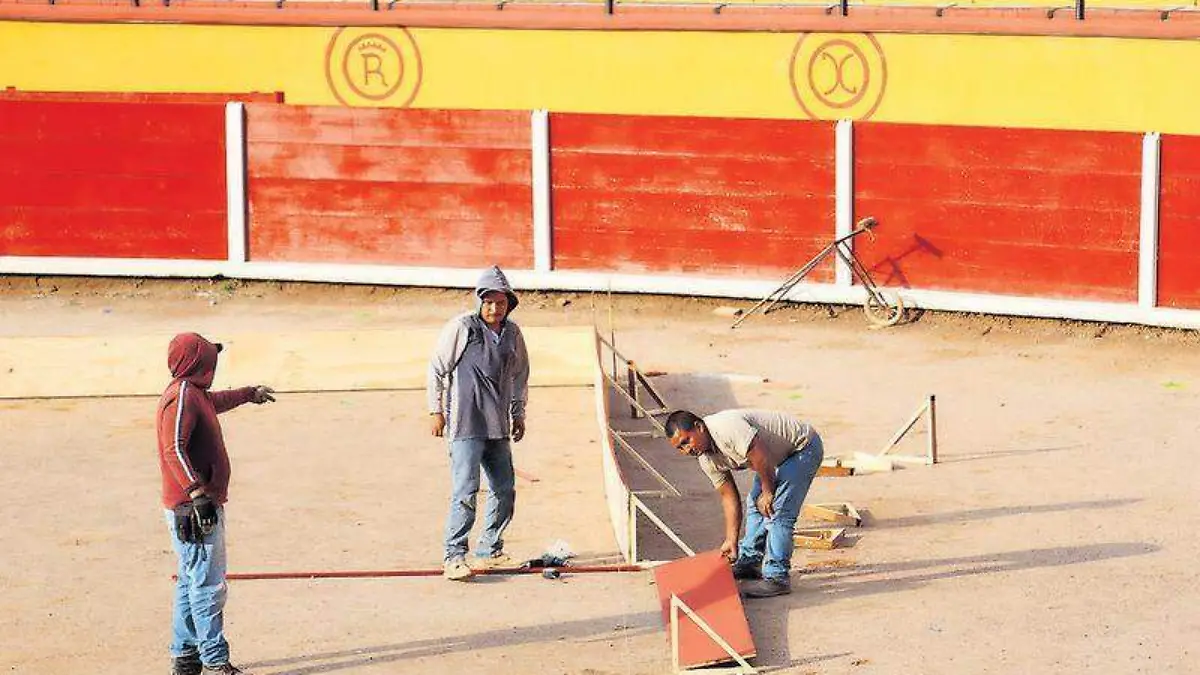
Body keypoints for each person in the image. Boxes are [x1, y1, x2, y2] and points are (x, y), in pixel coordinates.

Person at [156, 332, 275, 675]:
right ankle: (214, 660)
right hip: (193, 508)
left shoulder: (194, 394)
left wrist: (248, 395)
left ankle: (186, 654)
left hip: (193, 503)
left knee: (190, 580)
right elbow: (173, 449)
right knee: (208, 583)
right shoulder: (180, 400)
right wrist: (197, 493)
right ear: (199, 364)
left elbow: (216, 401)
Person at [427, 265, 530, 581]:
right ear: (478, 301)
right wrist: (436, 410)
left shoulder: (512, 333)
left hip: (497, 425)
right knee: (465, 490)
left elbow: (520, 375)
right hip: (466, 424)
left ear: (508, 304)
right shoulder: (462, 327)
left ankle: (489, 549)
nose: (494, 309)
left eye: (500, 303)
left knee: (504, 489)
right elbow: (437, 368)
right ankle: (454, 555)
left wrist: (518, 412)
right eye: (488, 302)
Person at [665, 408, 824, 598]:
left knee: (778, 512)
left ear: (698, 427)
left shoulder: (726, 429)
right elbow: (728, 497)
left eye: (686, 441)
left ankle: (777, 577)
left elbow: (760, 456)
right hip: (774, 456)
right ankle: (750, 561)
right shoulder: (707, 459)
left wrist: (768, 492)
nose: (687, 449)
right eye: (680, 448)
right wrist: (731, 540)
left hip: (802, 448)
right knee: (754, 504)